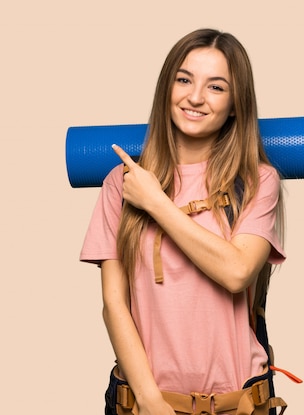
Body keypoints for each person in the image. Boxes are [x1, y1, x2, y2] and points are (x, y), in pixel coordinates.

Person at [80, 28, 286, 415]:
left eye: (216, 87)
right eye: (184, 80)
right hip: (145, 405)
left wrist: (157, 203)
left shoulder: (258, 181)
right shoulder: (120, 184)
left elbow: (236, 270)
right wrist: (152, 403)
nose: (195, 97)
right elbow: (113, 302)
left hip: (237, 403)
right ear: (166, 88)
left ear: (236, 104)